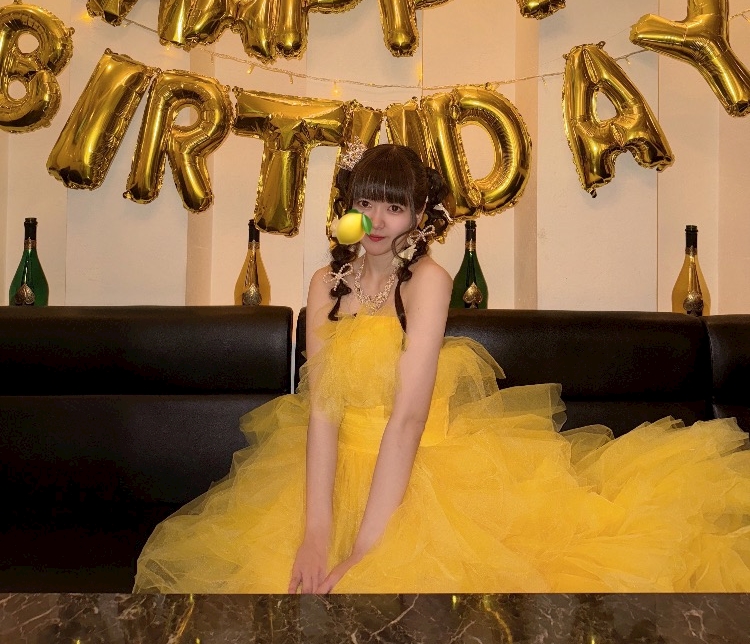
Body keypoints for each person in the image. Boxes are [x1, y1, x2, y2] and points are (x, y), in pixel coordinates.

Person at [135, 143, 750, 594]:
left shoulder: (428, 281)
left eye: (394, 208)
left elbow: (407, 419)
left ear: (420, 216)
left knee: (379, 587)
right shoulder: (326, 283)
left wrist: (368, 548)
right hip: (330, 471)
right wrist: (317, 533)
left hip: (418, 472)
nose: (377, 222)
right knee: (285, 583)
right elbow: (320, 410)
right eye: (365, 204)